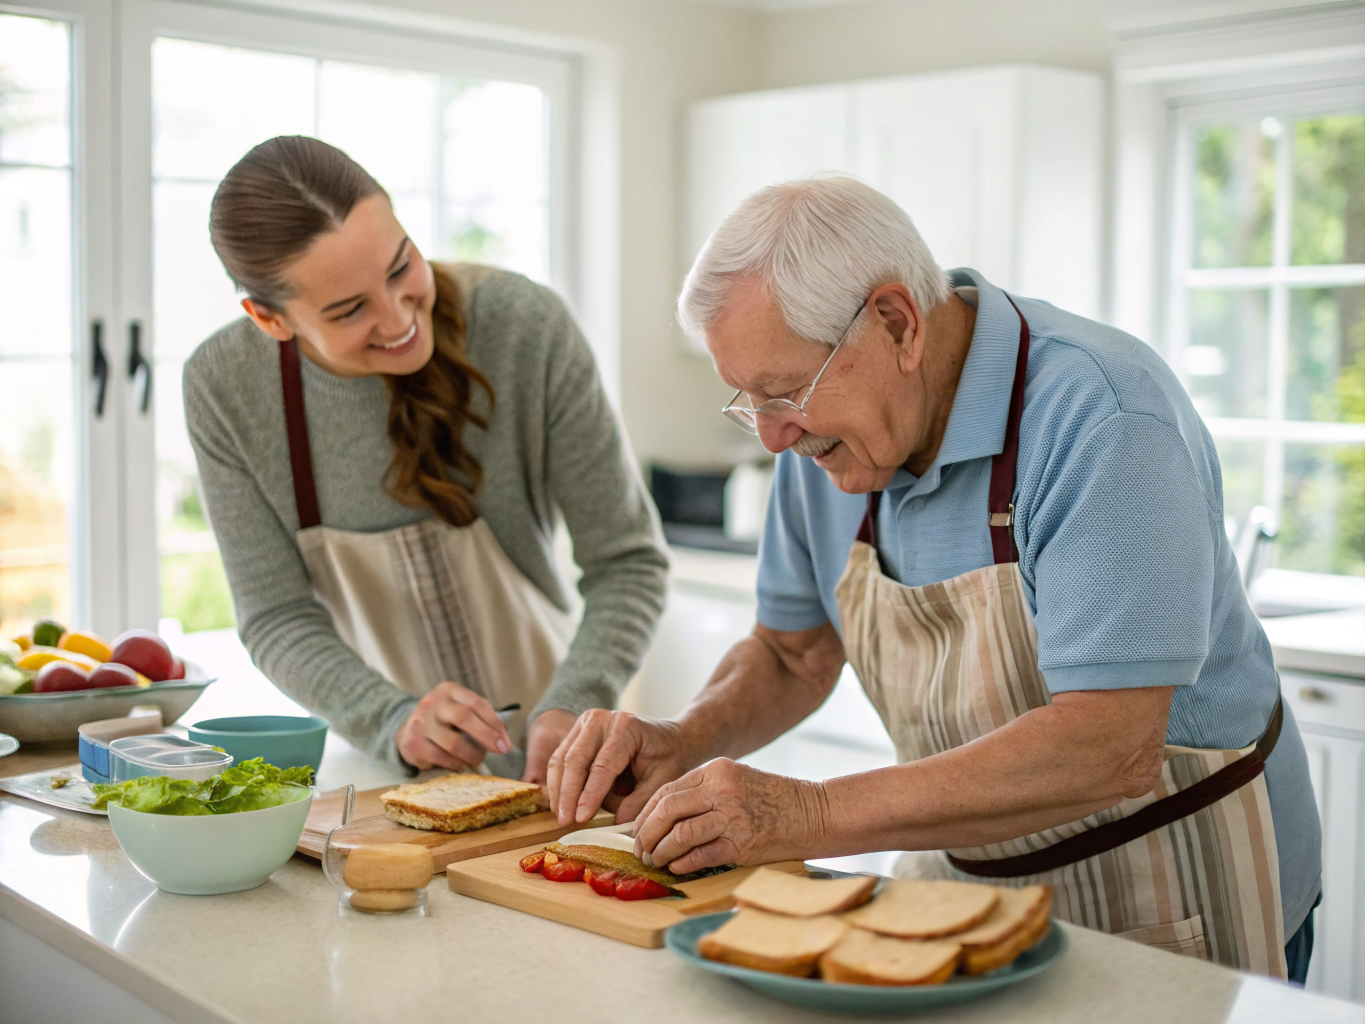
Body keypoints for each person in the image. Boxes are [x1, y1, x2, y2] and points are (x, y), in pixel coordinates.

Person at [546, 176, 1322, 980]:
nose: (773, 437)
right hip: (966, 883)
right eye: (748, 402)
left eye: (784, 393)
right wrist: (684, 740)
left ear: (895, 323)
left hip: (1170, 891)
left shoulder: (1100, 417)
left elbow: (1109, 745)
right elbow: (791, 654)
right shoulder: (819, 444)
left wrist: (806, 812)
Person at [186, 135, 667, 783]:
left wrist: (577, 699)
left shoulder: (524, 325)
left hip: (562, 761)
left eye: (399, 265)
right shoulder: (225, 386)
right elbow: (275, 617)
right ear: (269, 320)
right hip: (387, 773)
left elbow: (627, 561)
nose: (398, 319)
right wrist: (391, 721)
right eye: (350, 308)